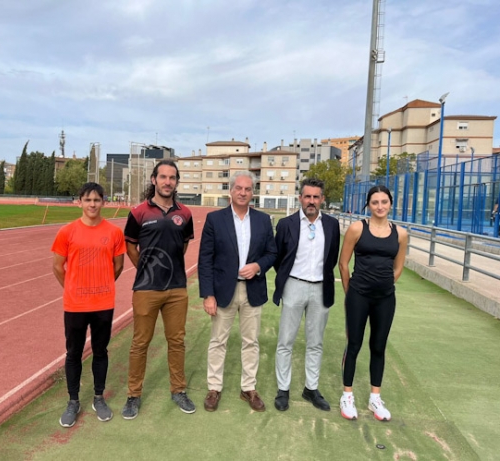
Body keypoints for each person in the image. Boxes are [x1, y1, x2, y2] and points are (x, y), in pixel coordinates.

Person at [121, 159, 196, 419]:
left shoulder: (185, 214)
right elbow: (130, 246)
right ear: (154, 180)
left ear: (176, 182)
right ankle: (133, 395)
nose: (167, 182)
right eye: (162, 177)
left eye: (172, 177)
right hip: (146, 288)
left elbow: (183, 246)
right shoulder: (138, 212)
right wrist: (145, 268)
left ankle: (178, 390)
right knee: (140, 343)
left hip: (176, 289)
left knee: (176, 342)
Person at [198, 171, 277, 412]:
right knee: (218, 341)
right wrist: (208, 294)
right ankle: (214, 387)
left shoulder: (263, 220)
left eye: (248, 189)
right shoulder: (215, 219)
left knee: (250, 342)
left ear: (253, 192)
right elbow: (205, 259)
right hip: (223, 291)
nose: (243, 192)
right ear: (231, 191)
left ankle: (248, 388)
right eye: (239, 188)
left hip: (252, 290)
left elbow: (272, 253)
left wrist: (258, 266)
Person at [51, 182, 126, 427]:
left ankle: (98, 397)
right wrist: (73, 288)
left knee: (100, 351)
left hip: (103, 303)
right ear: (80, 202)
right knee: (73, 353)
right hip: (75, 305)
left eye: (97, 200)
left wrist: (102, 285)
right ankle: (73, 401)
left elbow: (118, 266)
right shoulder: (67, 232)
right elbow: (57, 266)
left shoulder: (114, 232)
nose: (92, 204)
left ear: (103, 202)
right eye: (87, 200)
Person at [338, 185, 407, 422]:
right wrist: (351, 293)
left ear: (390, 204)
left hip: (385, 299)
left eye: (384, 202)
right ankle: (347, 396)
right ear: (368, 205)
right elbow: (344, 264)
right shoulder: (357, 228)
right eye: (375, 202)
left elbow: (398, 266)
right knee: (354, 345)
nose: (380, 206)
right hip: (358, 295)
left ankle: (375, 398)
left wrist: (385, 285)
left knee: (378, 347)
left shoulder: (400, 234)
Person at [272, 178, 340, 412]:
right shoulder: (286, 224)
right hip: (294, 285)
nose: (311, 201)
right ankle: (283, 389)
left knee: (315, 342)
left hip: (321, 288)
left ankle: (311, 388)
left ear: (322, 199)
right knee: (285, 341)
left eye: (316, 197)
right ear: (300, 198)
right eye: (307, 196)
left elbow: (332, 257)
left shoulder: (331, 225)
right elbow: (278, 257)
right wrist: (290, 278)